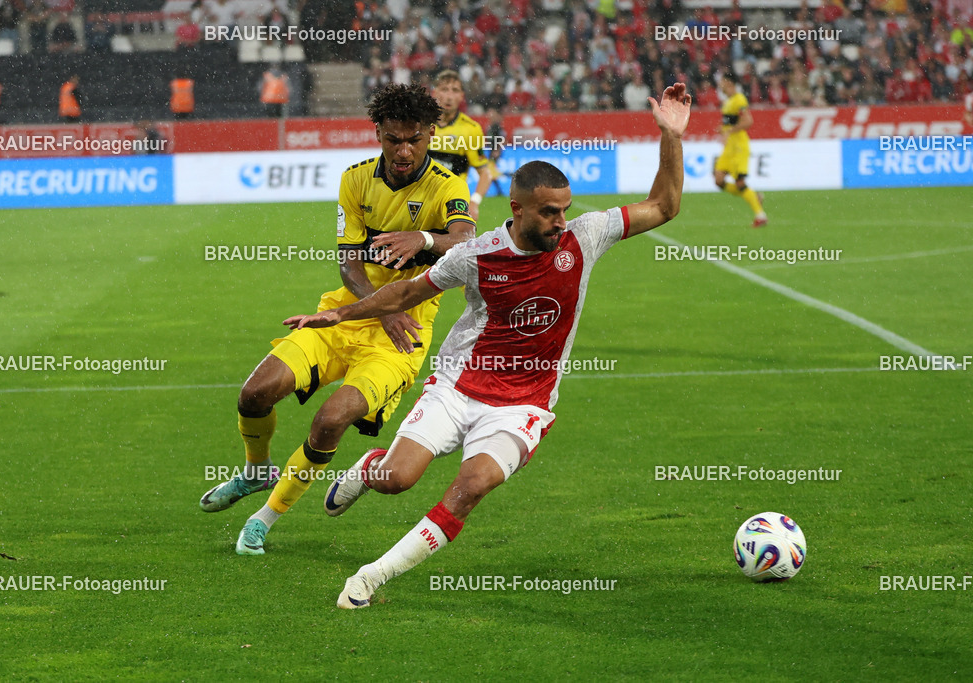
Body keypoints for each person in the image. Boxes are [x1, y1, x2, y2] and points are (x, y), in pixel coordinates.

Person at [285, 83, 693, 609]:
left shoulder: (585, 237)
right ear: (517, 208)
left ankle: (370, 577)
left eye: (565, 210)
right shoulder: (476, 256)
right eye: (549, 213)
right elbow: (406, 292)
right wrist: (338, 314)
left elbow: (664, 206)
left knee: (472, 484)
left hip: (524, 403)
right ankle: (369, 469)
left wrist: (671, 135)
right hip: (458, 386)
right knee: (397, 480)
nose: (560, 223)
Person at [199, 83, 478, 557]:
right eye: (393, 139)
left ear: (431, 134)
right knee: (254, 394)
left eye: (414, 138)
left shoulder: (447, 186)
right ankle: (256, 470)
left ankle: (266, 517)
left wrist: (424, 240)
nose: (404, 150)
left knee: (331, 419)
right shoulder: (355, 180)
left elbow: (467, 243)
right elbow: (348, 263)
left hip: (401, 338)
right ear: (378, 135)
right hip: (342, 314)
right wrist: (378, 305)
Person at [428, 70, 493, 221]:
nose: (449, 96)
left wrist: (474, 202)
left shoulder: (471, 129)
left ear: (462, 96)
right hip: (420, 197)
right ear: (434, 92)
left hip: (452, 201)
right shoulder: (421, 123)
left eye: (455, 90)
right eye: (444, 89)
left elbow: (485, 173)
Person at [713, 73, 766, 228]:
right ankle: (754, 197)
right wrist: (723, 130)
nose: (720, 85)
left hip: (739, 147)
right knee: (719, 180)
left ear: (729, 83)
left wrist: (730, 131)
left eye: (722, 81)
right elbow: (730, 123)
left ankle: (760, 215)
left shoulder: (739, 100)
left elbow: (748, 121)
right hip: (730, 147)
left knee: (740, 182)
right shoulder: (727, 102)